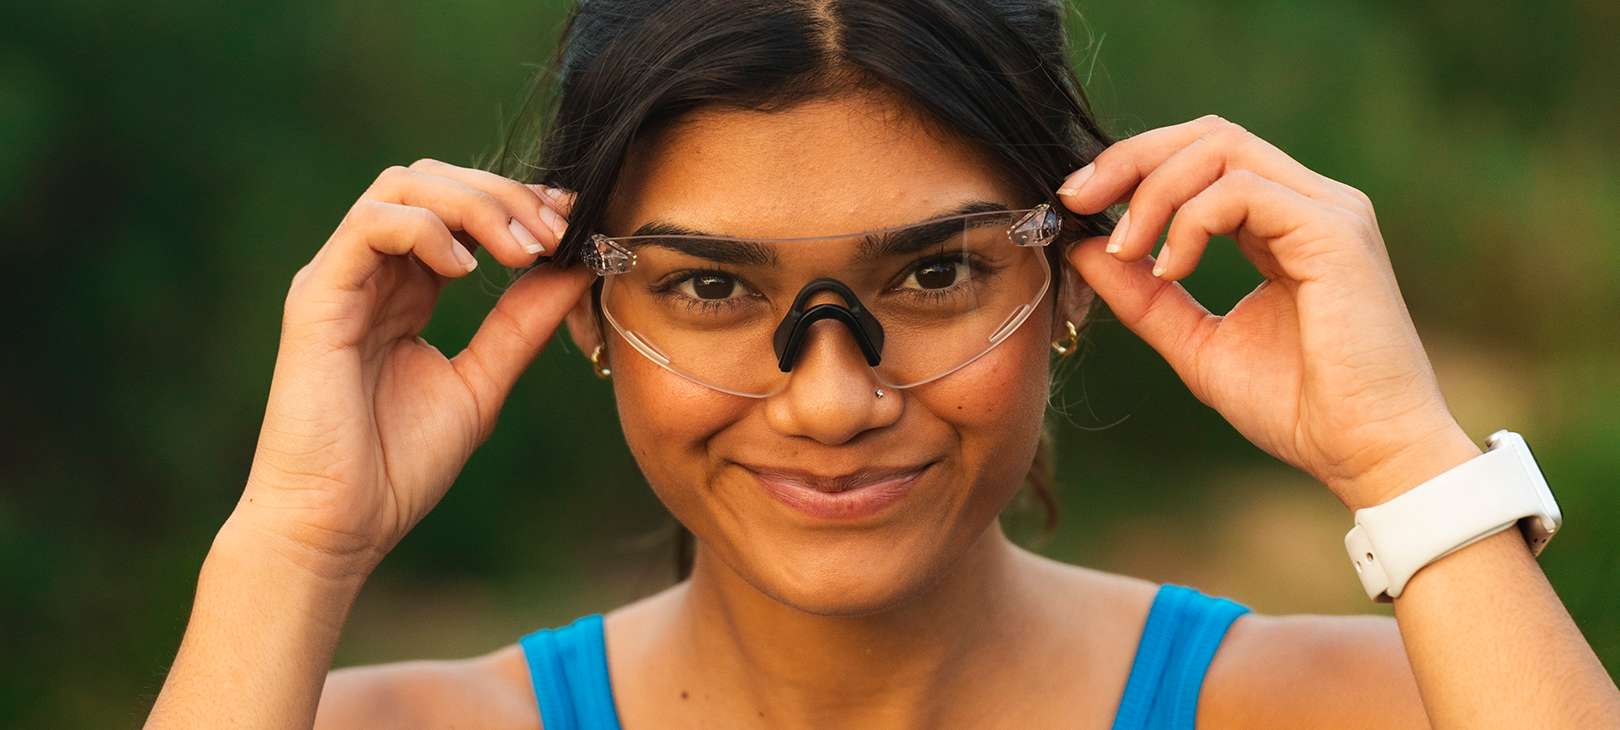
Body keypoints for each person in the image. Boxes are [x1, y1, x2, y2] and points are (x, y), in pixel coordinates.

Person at [143, 1, 1620, 728]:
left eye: (934, 271)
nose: (836, 397)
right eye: (713, 285)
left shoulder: (1359, 708)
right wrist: (294, 540)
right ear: (582, 307)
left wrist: (1402, 458)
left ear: (1070, 279)